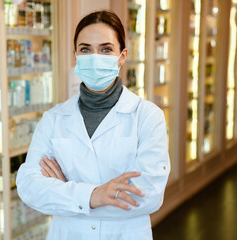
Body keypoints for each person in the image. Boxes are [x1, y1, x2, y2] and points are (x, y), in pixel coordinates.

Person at [16, 10, 170, 240]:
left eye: (106, 49)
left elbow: (146, 196)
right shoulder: (54, 119)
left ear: (122, 56)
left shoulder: (147, 117)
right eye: (85, 49)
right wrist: (93, 195)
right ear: (75, 55)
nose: (95, 57)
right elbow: (29, 187)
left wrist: (68, 194)